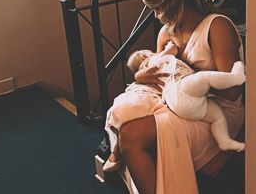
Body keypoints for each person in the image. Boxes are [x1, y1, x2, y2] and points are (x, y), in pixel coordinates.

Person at [117, 0, 245, 194]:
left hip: (217, 112)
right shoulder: (166, 33)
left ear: (173, 2)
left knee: (131, 137)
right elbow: (160, 71)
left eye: (157, 8)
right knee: (125, 119)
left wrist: (188, 78)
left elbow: (233, 90)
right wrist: (143, 77)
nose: (156, 16)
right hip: (179, 105)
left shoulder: (217, 27)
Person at [103, 42, 245, 172]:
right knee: (203, 78)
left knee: (216, 116)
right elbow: (172, 49)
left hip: (181, 104)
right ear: (144, 56)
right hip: (180, 90)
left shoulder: (149, 73)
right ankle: (236, 78)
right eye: (150, 51)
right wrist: (169, 47)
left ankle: (224, 141)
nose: (154, 52)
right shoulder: (155, 61)